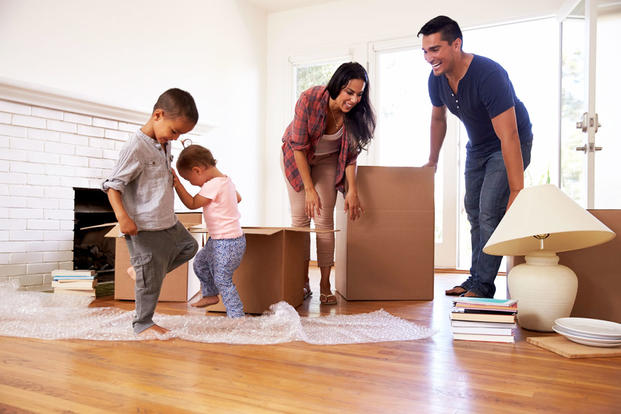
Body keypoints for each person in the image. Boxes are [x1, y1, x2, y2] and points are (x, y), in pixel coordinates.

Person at [418, 16, 533, 298]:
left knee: (489, 210)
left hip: (509, 142)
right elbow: (438, 119)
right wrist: (432, 160)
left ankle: (484, 285)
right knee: (473, 210)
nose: (428, 57)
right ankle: (475, 278)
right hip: (478, 146)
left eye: (435, 49)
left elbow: (510, 136)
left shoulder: (488, 75)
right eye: (424, 51)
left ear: (456, 44)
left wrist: (517, 189)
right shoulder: (437, 79)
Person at [102, 88, 200, 335]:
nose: (176, 137)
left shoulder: (162, 142)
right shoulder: (135, 148)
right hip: (145, 225)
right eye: (175, 131)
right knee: (150, 281)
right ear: (158, 115)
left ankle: (142, 272)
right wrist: (123, 218)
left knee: (190, 247)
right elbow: (113, 186)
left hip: (167, 220)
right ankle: (142, 323)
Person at [281, 62, 376, 305]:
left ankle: (324, 282)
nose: (354, 99)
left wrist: (352, 191)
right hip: (297, 156)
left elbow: (351, 157)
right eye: (349, 92)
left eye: (359, 94)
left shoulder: (356, 114)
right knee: (301, 220)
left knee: (324, 221)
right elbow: (299, 147)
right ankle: (301, 281)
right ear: (337, 86)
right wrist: (309, 190)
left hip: (327, 162)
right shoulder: (310, 99)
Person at [172, 144, 246, 318]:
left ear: (197, 170)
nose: (192, 184)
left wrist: (177, 183)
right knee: (200, 263)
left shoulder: (212, 185)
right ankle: (210, 295)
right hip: (222, 240)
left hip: (226, 242)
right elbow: (239, 198)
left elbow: (191, 203)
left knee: (223, 279)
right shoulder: (226, 181)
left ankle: (237, 315)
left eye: (190, 180)